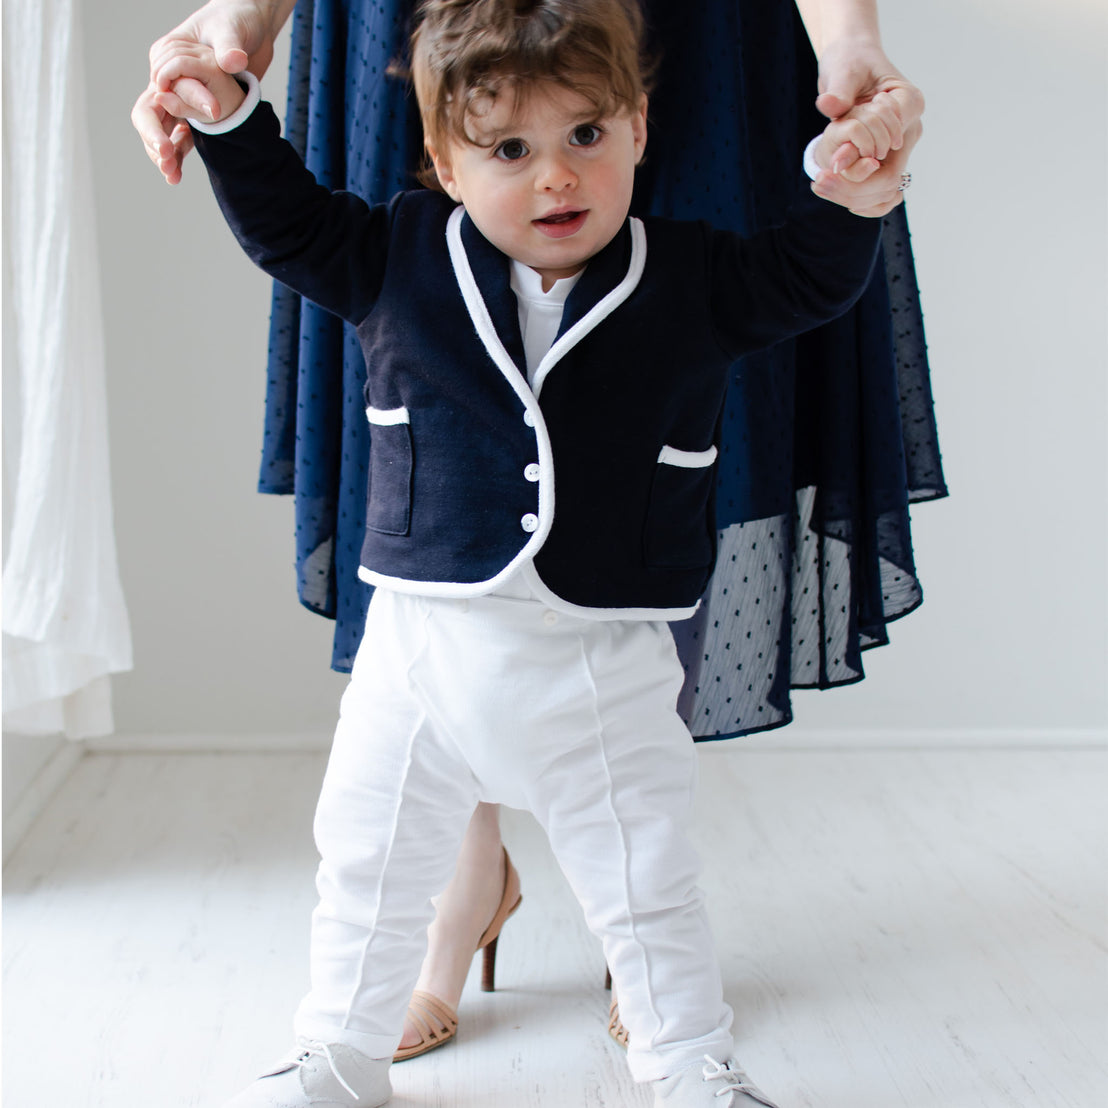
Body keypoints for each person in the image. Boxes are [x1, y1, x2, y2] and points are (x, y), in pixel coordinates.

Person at [133, 0, 944, 1069]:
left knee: (648, 883)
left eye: (586, 137)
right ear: (442, 159)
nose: (556, 176)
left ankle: (688, 1060)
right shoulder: (390, 257)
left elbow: (807, 279)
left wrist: (857, 191)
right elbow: (285, 220)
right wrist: (231, 117)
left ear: (642, 129)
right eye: (511, 149)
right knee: (369, 864)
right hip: (419, 658)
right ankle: (337, 1054)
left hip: (606, 664)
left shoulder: (692, 274)